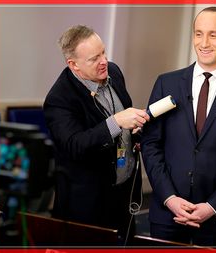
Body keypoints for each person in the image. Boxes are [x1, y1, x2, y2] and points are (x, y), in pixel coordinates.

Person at [141, 7, 216, 246]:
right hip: (167, 215)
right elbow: (151, 144)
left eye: (213, 35)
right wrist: (170, 198)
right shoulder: (167, 83)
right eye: (198, 34)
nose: (203, 43)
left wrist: (211, 206)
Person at [43, 25, 150, 245]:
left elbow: (125, 122)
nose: (104, 61)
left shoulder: (114, 72)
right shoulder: (59, 99)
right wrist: (115, 122)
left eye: (103, 52)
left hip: (123, 192)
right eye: (94, 58)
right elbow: (75, 145)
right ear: (74, 65)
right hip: (87, 204)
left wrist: (135, 132)